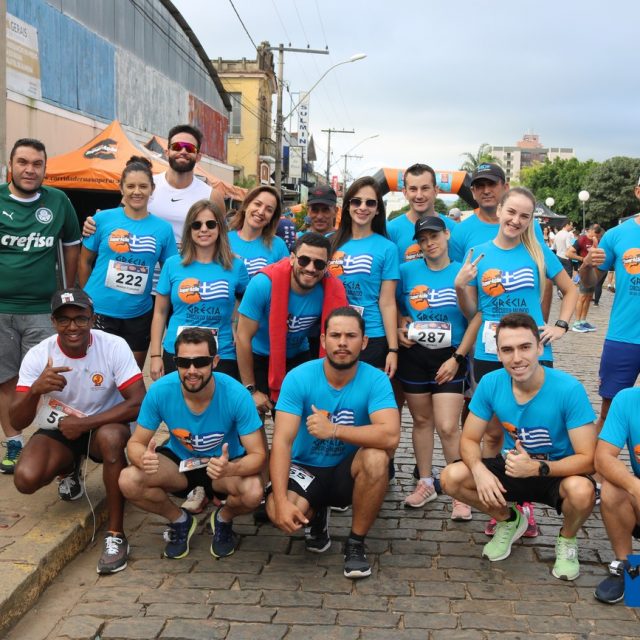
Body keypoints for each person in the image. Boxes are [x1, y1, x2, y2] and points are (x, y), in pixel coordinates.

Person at [454, 187, 577, 535]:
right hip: (490, 352)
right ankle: (503, 505)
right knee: (493, 431)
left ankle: (527, 503)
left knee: (530, 430)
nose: (516, 220)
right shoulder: (479, 254)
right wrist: (461, 286)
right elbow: (472, 312)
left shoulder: (537, 251)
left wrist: (561, 325)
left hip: (533, 350)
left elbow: (571, 289)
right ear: (500, 211)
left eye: (525, 216)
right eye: (511, 212)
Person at [440, 312, 597, 581]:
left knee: (582, 491)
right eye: (507, 350)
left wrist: (538, 467)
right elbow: (469, 439)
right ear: (498, 354)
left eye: (525, 347)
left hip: (555, 472)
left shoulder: (569, 389)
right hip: (512, 466)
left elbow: (589, 459)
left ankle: (567, 539)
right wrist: (478, 470)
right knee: (451, 477)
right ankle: (509, 520)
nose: (517, 358)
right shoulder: (491, 382)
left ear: (539, 348)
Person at [10, 288, 146, 574]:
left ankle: (116, 534)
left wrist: (86, 424)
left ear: (92, 319)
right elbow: (17, 421)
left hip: (104, 426)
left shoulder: (113, 346)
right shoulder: (39, 354)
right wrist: (35, 390)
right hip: (60, 428)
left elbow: (138, 402)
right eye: (64, 320)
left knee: (111, 439)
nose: (72, 327)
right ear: (53, 322)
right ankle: (69, 467)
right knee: (25, 479)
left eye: (80, 319)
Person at [266, 307, 400, 578]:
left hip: (346, 471)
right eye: (335, 335)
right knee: (281, 515)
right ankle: (315, 512)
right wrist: (280, 500)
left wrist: (335, 430)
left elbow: (390, 436)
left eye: (351, 336)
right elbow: (281, 442)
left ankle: (355, 543)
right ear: (323, 340)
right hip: (305, 467)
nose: (342, 342)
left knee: (377, 458)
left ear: (364, 342)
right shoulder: (299, 377)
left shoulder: (376, 379)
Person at [118, 328, 266, 560]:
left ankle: (223, 518)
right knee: (128, 480)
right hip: (180, 465)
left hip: (222, 468)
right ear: (175, 362)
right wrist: (141, 458)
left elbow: (258, 454)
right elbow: (135, 443)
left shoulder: (236, 394)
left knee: (253, 492)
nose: (192, 370)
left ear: (215, 361)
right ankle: (180, 520)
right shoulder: (160, 391)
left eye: (201, 362)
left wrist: (231, 468)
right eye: (184, 363)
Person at [0, 138, 82, 474]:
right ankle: (14, 442)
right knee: (6, 379)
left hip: (42, 310)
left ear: (45, 168)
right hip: (1, 309)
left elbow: (72, 245)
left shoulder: (58, 201)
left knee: (49, 378)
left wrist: (66, 293)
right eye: (23, 162)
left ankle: (54, 442)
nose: (30, 169)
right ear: (11, 165)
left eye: (37, 164)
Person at [396, 217, 477, 518]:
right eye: (423, 239)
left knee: (447, 426)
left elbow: (477, 317)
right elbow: (395, 305)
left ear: (447, 235)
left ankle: (459, 491)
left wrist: (458, 358)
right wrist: (400, 323)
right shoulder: (406, 271)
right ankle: (426, 482)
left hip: (450, 356)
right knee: (421, 421)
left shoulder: (462, 271)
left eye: (434, 236)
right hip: (414, 355)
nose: (429, 243)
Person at [79, 157, 177, 369]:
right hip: (99, 310)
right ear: (121, 188)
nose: (137, 192)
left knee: (130, 377)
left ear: (152, 189)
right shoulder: (101, 220)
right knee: (96, 375)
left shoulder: (163, 229)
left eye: (143, 186)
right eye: (131, 186)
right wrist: (87, 297)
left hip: (139, 314)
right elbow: (84, 261)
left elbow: (170, 273)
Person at [236, 232, 348, 414]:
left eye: (319, 264)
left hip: (298, 355)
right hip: (259, 357)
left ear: (327, 266)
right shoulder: (263, 284)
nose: (311, 268)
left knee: (300, 416)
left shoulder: (330, 290)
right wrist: (250, 389)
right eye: (304, 260)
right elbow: (242, 337)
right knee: (253, 418)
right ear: (292, 258)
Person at [149, 199, 249, 383]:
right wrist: (155, 355)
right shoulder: (172, 264)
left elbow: (246, 303)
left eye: (210, 224)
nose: (204, 229)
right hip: (177, 352)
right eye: (197, 225)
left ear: (220, 227)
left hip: (222, 354)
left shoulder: (236, 266)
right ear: (189, 229)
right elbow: (160, 312)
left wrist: (236, 325)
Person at [83, 125, 223, 247]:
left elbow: (222, 239)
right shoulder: (145, 186)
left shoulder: (212, 196)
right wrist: (96, 223)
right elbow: (120, 220)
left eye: (190, 148)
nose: (183, 151)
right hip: (144, 265)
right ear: (167, 152)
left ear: (198, 156)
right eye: (177, 147)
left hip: (187, 267)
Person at [579, 185, 640, 431]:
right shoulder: (617, 235)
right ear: (638, 191)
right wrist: (585, 265)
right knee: (609, 412)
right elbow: (590, 282)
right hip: (624, 336)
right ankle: (597, 458)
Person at [329, 177, 400, 377]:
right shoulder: (330, 243)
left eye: (370, 203)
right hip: (333, 333)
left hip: (372, 335)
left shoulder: (388, 248)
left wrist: (393, 349)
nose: (362, 207)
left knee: (367, 394)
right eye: (356, 201)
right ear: (347, 206)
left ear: (377, 209)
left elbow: (387, 302)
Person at [593, 386, 640, 603]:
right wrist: (634, 486)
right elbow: (603, 458)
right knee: (612, 487)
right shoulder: (628, 399)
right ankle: (627, 567)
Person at [387, 163, 456, 264]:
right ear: (405, 192)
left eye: (425, 188)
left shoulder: (454, 228)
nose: (419, 195)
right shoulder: (391, 230)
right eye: (413, 189)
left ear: (436, 190)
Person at [228, 186, 289, 278]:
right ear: (246, 205)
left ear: (272, 217)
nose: (261, 212)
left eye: (269, 210)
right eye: (257, 204)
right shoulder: (224, 240)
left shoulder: (279, 246)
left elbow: (285, 281)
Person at [566, 223, 603, 332]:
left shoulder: (596, 240)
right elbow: (568, 253)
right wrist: (583, 259)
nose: (595, 236)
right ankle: (576, 323)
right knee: (582, 297)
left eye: (598, 235)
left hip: (593, 271)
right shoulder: (582, 240)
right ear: (589, 230)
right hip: (584, 271)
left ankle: (583, 321)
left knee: (589, 297)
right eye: (594, 234)